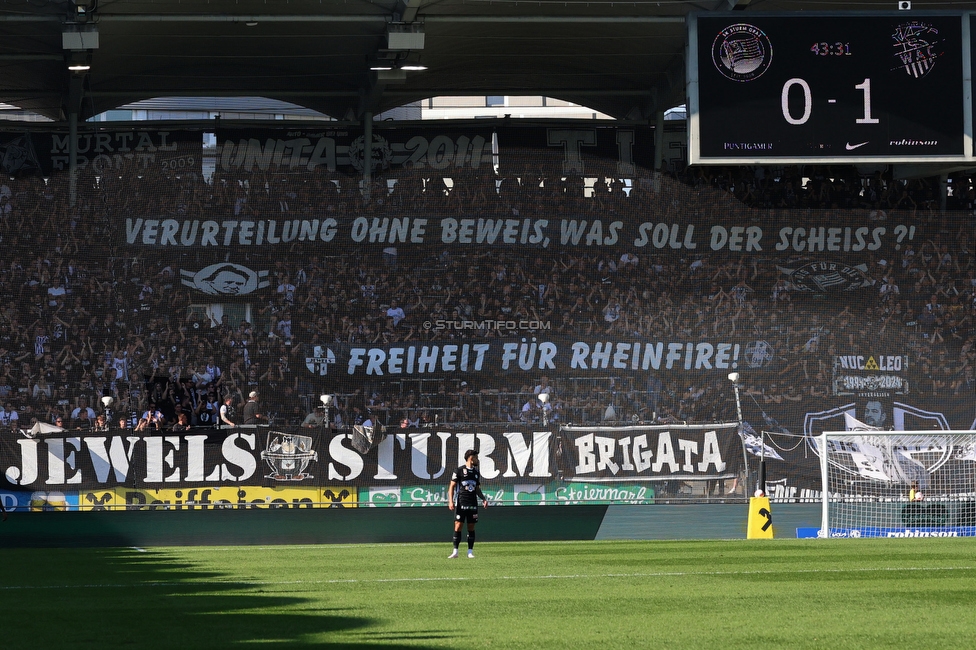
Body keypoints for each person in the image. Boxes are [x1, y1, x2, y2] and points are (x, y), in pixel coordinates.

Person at [447, 449, 489, 559]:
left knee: (471, 526)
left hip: (472, 503)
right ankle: (455, 551)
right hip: (461, 502)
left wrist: (483, 499)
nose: (477, 460)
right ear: (471, 458)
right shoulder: (459, 470)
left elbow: (477, 489)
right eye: (476, 457)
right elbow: (451, 486)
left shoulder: (476, 472)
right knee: (458, 525)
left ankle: (470, 552)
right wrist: (450, 501)